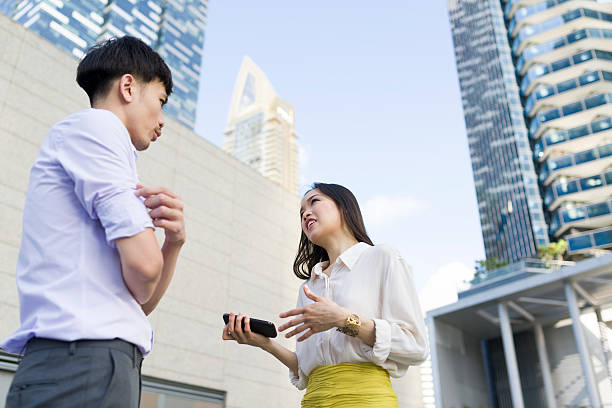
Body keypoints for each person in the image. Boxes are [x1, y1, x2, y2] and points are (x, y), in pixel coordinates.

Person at [1, 36, 186, 408]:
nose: (162, 120)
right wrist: (153, 250)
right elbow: (144, 266)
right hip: (82, 364)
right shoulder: (98, 128)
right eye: (161, 102)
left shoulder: (95, 143)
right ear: (129, 87)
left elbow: (141, 301)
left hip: (90, 362)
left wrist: (173, 243)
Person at [223, 182, 428, 407]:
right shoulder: (308, 287)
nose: (305, 213)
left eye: (314, 202)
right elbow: (304, 369)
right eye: (301, 212)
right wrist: (264, 343)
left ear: (344, 207)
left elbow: (415, 345)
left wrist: (342, 319)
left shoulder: (382, 257)